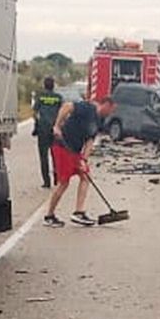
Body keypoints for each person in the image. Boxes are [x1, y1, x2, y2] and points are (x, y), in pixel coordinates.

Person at [44, 96, 117, 227]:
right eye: (112, 109)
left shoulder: (100, 121)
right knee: (64, 183)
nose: (112, 113)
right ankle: (49, 215)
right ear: (106, 105)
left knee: (85, 177)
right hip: (62, 146)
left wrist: (84, 159)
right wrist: (57, 126)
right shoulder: (88, 108)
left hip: (75, 151)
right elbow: (67, 106)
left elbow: (90, 140)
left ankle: (79, 212)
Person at [32, 77, 63, 188]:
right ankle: (57, 178)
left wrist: (37, 124)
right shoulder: (58, 98)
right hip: (55, 129)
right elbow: (62, 113)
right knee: (56, 155)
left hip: (43, 129)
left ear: (44, 85)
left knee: (43, 156)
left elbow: (35, 112)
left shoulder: (40, 97)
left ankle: (46, 181)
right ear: (53, 85)